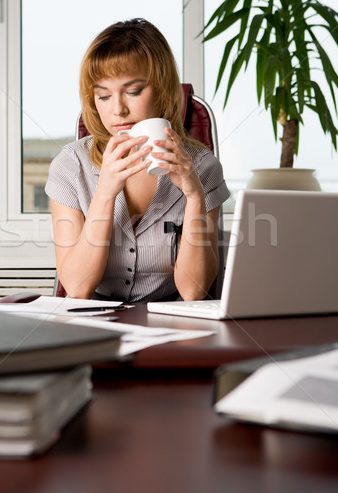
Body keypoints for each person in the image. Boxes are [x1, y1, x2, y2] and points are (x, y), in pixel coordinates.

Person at [45, 18, 229, 302]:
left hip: (171, 324)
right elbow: (77, 287)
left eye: (133, 92)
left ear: (162, 90)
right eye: (103, 96)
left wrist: (194, 195)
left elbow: (195, 291)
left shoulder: (204, 167)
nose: (118, 109)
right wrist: (105, 191)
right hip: (95, 322)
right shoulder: (70, 166)